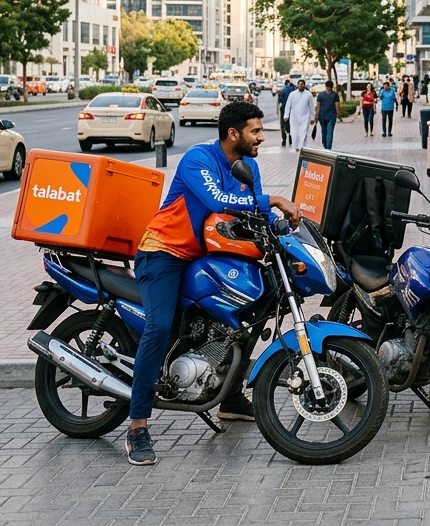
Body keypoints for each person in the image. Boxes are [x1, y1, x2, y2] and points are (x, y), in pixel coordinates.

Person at [124, 102, 302, 465]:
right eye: (255, 130)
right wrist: (277, 200)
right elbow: (217, 200)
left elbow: (254, 209)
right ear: (233, 134)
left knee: (253, 307)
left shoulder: (247, 165)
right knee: (159, 326)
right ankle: (137, 424)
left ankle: (231, 397)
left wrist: (284, 228)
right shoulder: (197, 159)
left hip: (207, 252)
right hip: (164, 252)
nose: (261, 137)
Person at [284, 79, 314, 150]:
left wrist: (312, 118)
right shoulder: (292, 94)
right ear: (297, 85)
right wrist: (286, 115)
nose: (300, 85)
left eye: (302, 84)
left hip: (305, 117)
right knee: (294, 132)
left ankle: (302, 147)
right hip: (294, 117)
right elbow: (288, 105)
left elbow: (311, 107)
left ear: (304, 85)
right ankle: (296, 146)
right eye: (299, 84)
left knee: (303, 132)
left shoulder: (308, 94)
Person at [315, 80, 340, 150]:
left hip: (322, 116)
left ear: (325, 86)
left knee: (324, 132)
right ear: (332, 87)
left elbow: (318, 106)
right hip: (331, 117)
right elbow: (337, 105)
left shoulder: (321, 95)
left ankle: (325, 145)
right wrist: (339, 115)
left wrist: (316, 116)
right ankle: (328, 147)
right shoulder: (335, 95)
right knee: (330, 132)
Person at [276, 78, 294, 146]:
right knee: (290, 124)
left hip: (283, 109)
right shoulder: (293, 89)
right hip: (291, 110)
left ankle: (284, 140)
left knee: (283, 124)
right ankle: (290, 137)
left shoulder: (282, 90)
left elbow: (279, 100)